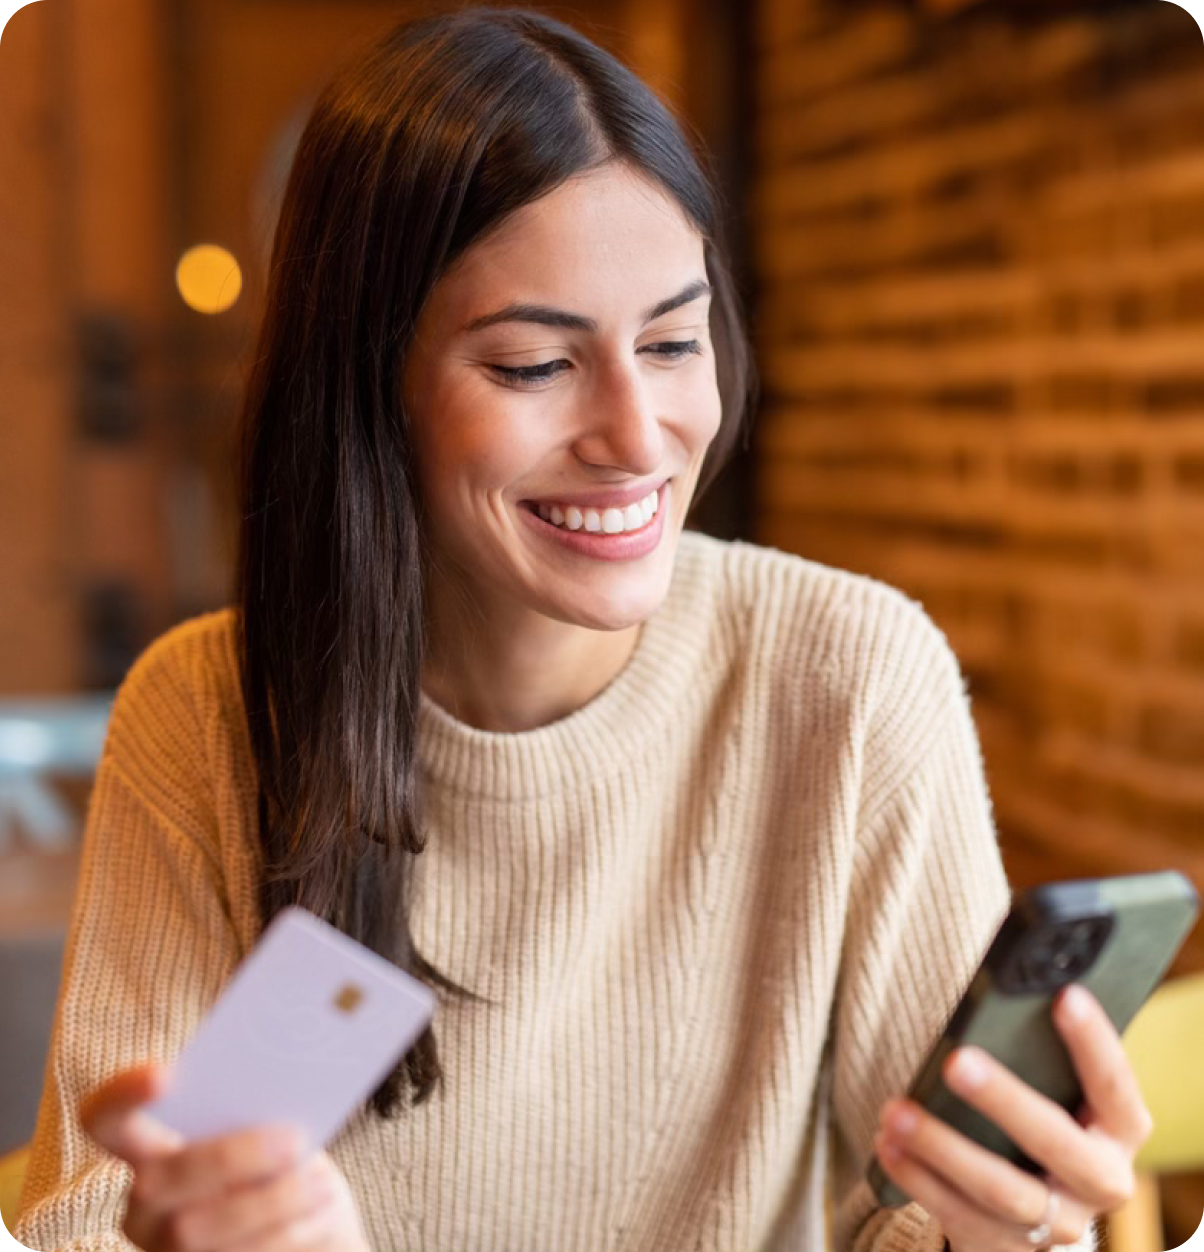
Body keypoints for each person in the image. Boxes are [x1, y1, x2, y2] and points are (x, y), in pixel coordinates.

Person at [14, 9, 1151, 1251]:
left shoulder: (847, 680)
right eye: (532, 366)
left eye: (672, 342)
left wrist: (1008, 1226)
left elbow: (925, 1216)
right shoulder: (215, 718)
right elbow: (91, 1226)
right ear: (368, 387)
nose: (636, 434)